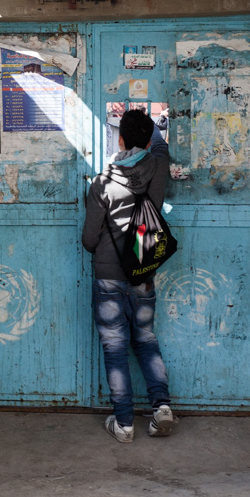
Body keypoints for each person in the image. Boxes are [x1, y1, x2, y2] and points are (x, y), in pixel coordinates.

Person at [81, 109, 175, 443]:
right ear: (148, 140)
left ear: (119, 139)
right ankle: (161, 406)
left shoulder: (102, 182)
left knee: (115, 347)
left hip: (108, 274)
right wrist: (156, 128)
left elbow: (89, 239)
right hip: (144, 270)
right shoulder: (159, 166)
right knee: (146, 340)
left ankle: (124, 424)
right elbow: (159, 145)